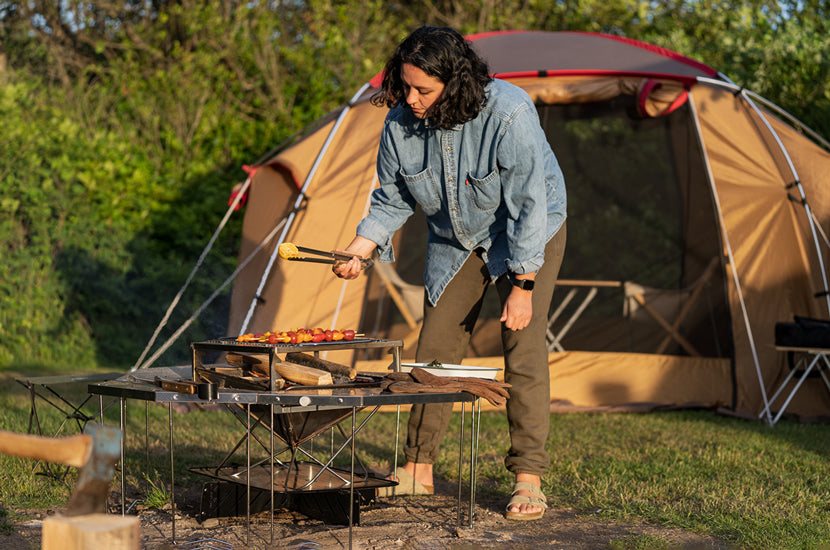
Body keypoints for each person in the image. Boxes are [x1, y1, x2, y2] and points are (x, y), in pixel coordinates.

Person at [333, 26, 566, 521]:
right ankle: (417, 468)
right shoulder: (399, 124)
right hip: (454, 238)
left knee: (521, 345)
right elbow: (392, 198)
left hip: (527, 230)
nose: (411, 100)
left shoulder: (510, 111)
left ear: (454, 83)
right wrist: (360, 248)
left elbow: (529, 205)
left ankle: (529, 477)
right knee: (435, 352)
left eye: (424, 90)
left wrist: (521, 286)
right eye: (406, 87)